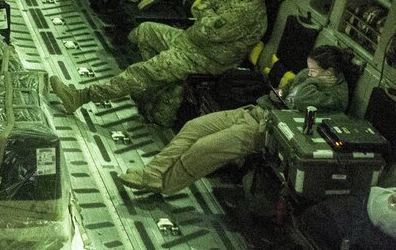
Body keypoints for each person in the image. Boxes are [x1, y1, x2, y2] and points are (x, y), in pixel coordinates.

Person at [50, 0, 275, 125]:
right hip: (189, 41)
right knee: (144, 31)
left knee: (141, 71)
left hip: (204, 59)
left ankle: (82, 96)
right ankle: (154, 89)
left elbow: (208, 30)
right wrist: (207, 14)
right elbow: (202, 6)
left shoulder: (251, 15)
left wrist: (206, 15)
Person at [118, 45, 353, 195]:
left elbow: (301, 99)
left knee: (203, 148)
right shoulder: (308, 75)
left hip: (267, 129)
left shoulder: (335, 96)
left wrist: (309, 84)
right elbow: (289, 88)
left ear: (330, 73)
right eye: (308, 68)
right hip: (254, 111)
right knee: (194, 127)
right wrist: (278, 93)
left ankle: (165, 185)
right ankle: (151, 173)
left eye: (314, 71)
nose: (307, 73)